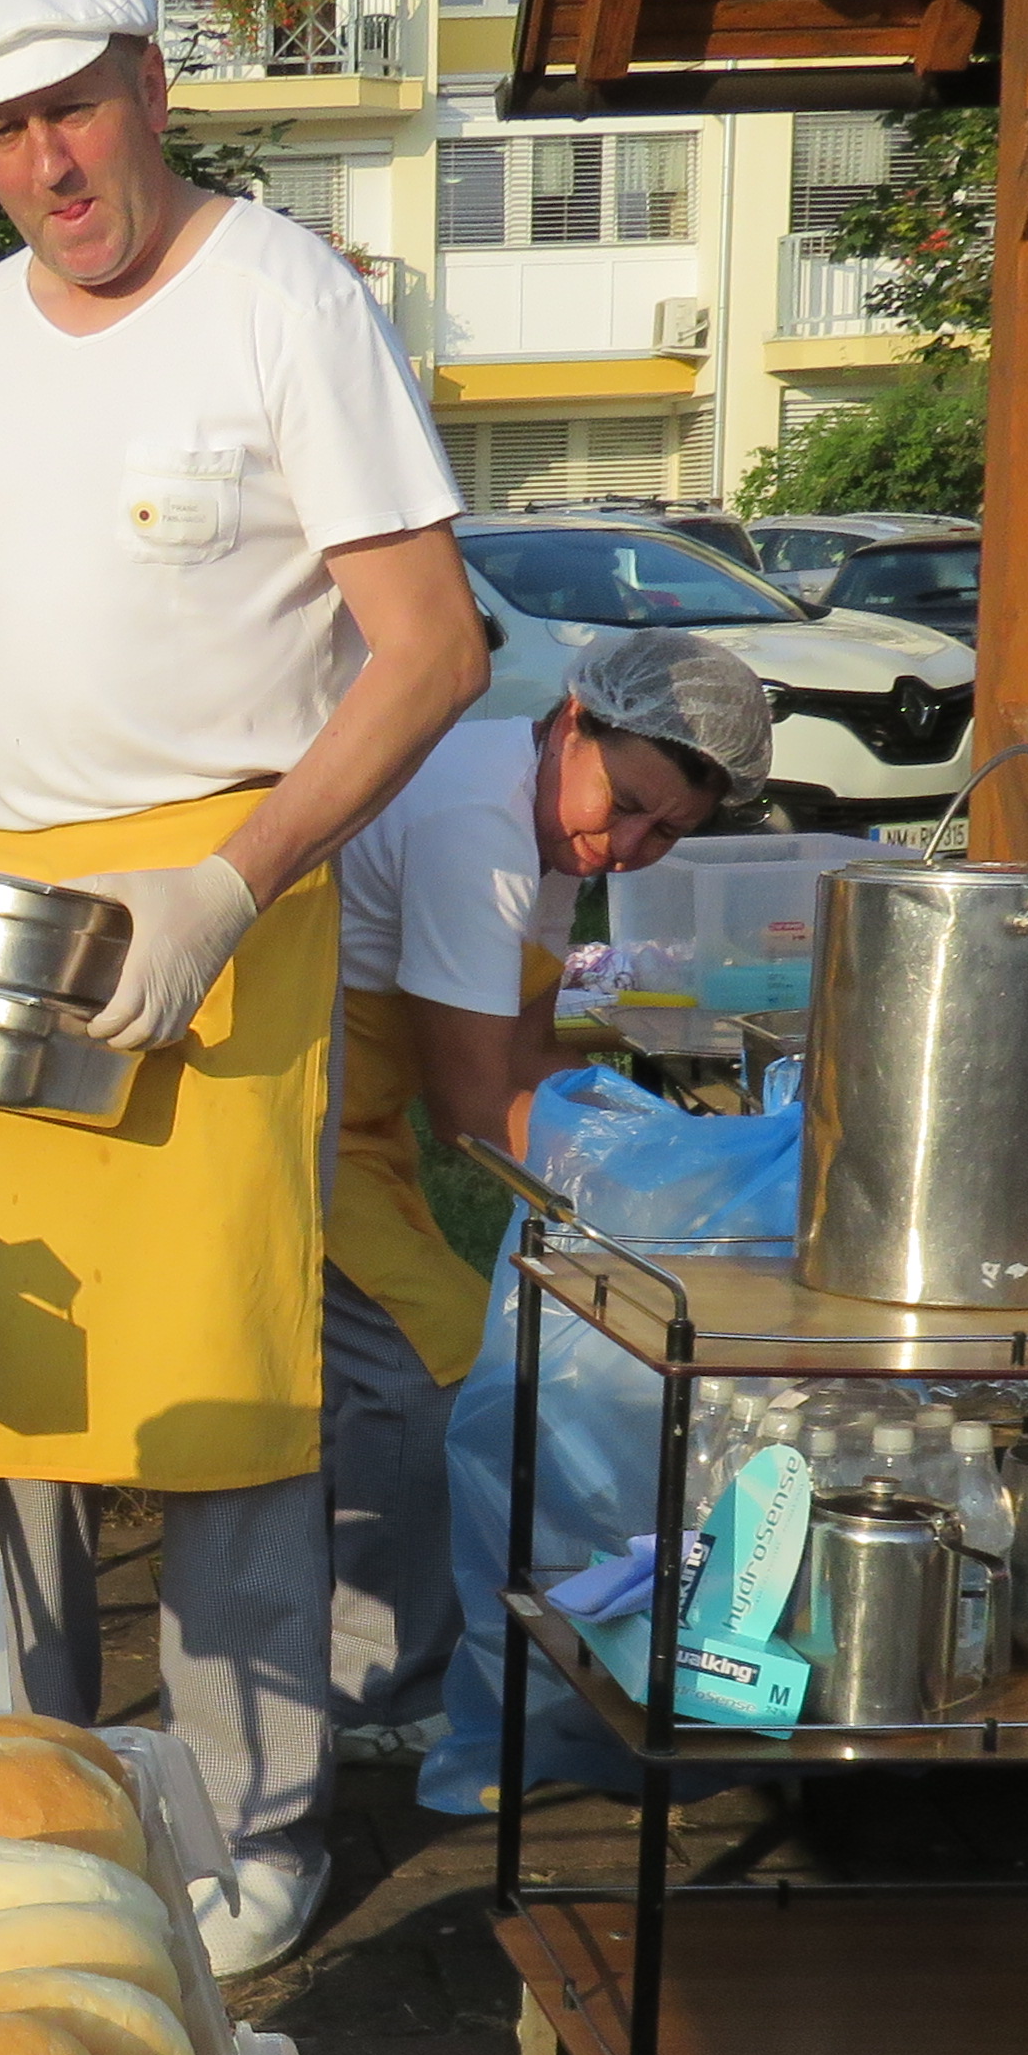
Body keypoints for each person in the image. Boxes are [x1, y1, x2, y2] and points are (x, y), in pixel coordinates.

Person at [0, 0, 485, 1978]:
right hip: (18, 909)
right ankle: (35, 1782)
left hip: (233, 896)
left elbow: (430, 648)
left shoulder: (282, 299)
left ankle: (250, 1820)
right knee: (7, 1388)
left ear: (149, 92)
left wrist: (232, 879)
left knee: (226, 1394)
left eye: (72, 113)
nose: (47, 164)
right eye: (3, 132)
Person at [322, 634, 781, 1748]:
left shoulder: (551, 825)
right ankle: (371, 1695)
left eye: (665, 834)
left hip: (360, 1126)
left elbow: (524, 1051)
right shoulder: (473, 822)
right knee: (432, 1372)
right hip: (295, 1126)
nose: (626, 847)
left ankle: (395, 1661)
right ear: (574, 719)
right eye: (623, 804)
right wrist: (665, 1191)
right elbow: (475, 1113)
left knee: (437, 1363)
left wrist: (658, 1146)